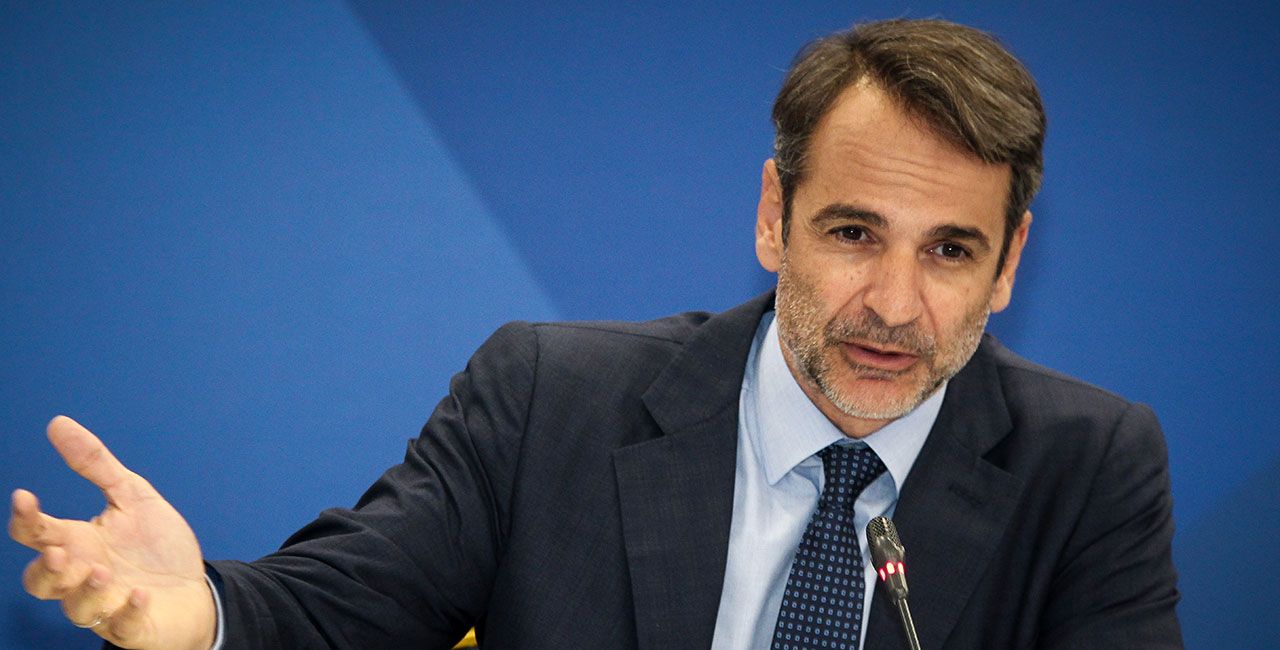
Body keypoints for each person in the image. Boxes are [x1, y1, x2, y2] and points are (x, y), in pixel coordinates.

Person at [9, 18, 1182, 650]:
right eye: (851, 231)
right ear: (771, 216)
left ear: (1007, 266)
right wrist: (199, 616)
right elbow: (339, 610)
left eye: (949, 251)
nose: (891, 301)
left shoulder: (1085, 464)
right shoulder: (548, 398)